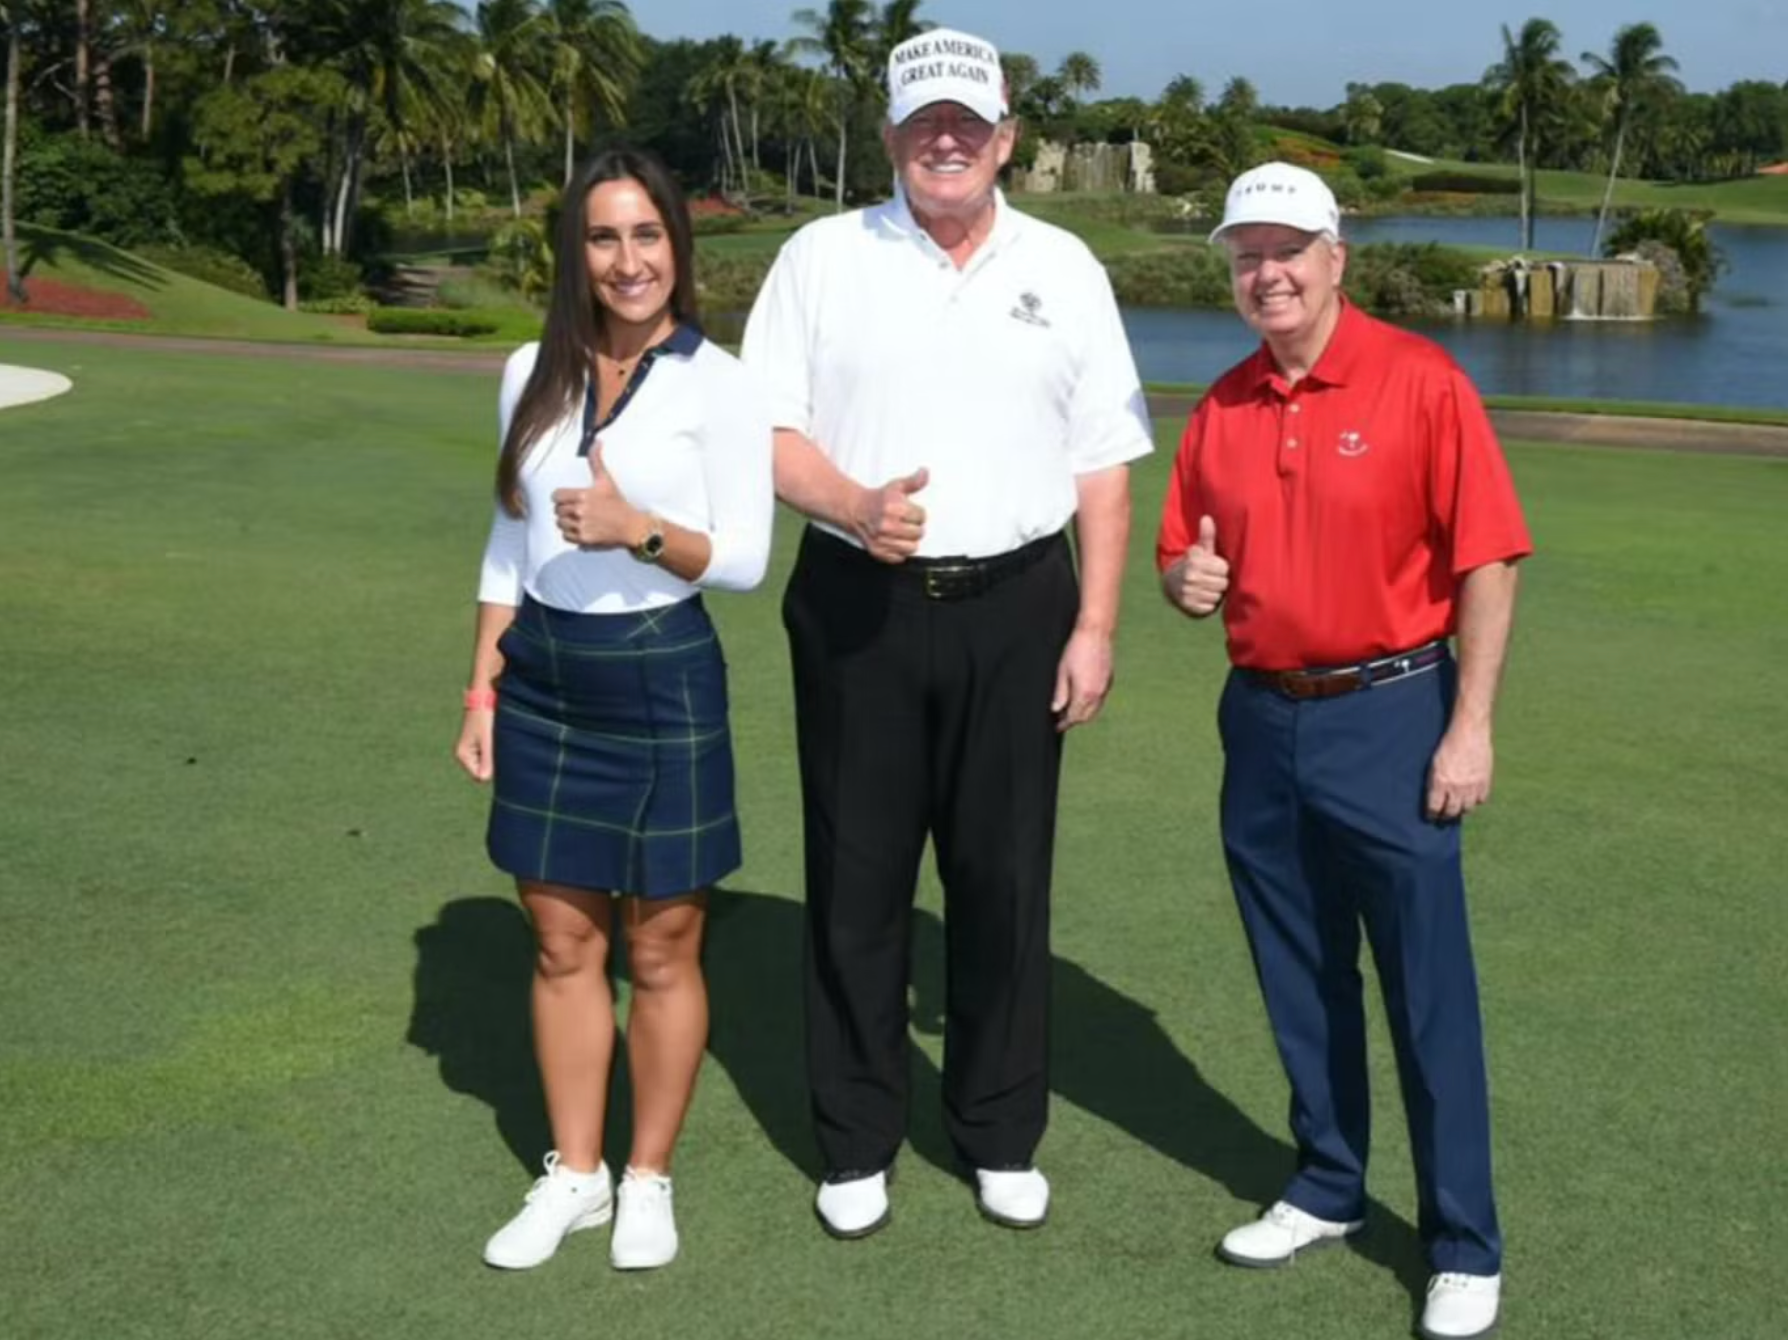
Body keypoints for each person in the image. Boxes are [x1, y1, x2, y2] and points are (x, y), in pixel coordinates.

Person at [741, 26, 1153, 1239]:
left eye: (968, 122)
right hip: (857, 601)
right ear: (890, 138)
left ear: (1007, 139)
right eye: (924, 121)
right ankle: (859, 1135)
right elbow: (769, 434)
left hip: (1022, 607)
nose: (946, 140)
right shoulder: (822, 257)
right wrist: (853, 505)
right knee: (857, 877)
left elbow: (1105, 466)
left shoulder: (1066, 265)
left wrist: (1097, 622)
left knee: (1003, 879)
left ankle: (998, 1126)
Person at [1156, 161, 1531, 1340]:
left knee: (1427, 991)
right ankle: (1326, 1181)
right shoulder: (1220, 406)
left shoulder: (1422, 381)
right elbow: (1181, 560)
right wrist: (1182, 580)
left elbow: (1488, 560)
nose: (1266, 273)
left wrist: (1468, 725)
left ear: (1335, 259)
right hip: (1261, 718)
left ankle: (1464, 1240)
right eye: (1246, 254)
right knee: (1297, 967)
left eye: (1287, 250)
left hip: (1391, 708)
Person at [453, 146, 774, 1273]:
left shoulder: (720, 382)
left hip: (661, 669)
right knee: (559, 938)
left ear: (678, 246)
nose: (628, 259)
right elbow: (507, 538)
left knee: (666, 941)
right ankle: (576, 1172)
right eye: (604, 236)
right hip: (542, 671)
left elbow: (743, 559)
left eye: (647, 235)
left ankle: (647, 1175)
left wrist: (640, 527)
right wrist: (484, 681)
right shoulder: (526, 371)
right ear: (575, 252)